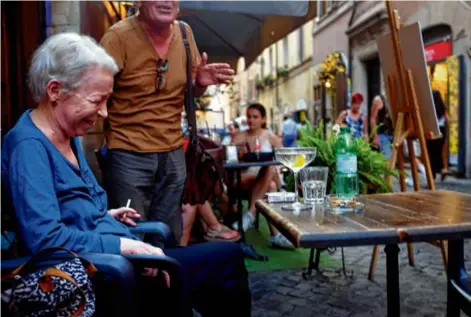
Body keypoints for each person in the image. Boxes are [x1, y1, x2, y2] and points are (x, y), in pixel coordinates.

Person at [1, 32, 251, 317]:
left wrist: (104, 216)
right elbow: (44, 239)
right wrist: (126, 246)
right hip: (96, 278)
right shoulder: (29, 146)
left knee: (219, 263)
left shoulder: (67, 134)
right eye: (98, 100)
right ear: (55, 90)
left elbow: (63, 209)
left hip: (110, 264)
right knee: (225, 261)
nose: (105, 113)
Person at [100, 0, 235, 244]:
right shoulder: (117, 38)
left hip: (173, 153)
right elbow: (96, 90)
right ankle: (136, 281)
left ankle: (165, 280)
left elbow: (191, 92)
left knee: (167, 234)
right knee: (133, 234)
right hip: (128, 153)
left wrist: (200, 83)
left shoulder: (185, 33)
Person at [231, 103, 294, 249]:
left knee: (270, 171)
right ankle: (275, 236)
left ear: (263, 119)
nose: (251, 120)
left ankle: (250, 214)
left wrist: (279, 168)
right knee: (270, 187)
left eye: (255, 117)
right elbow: (229, 155)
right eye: (249, 116)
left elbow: (283, 158)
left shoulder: (270, 136)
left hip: (267, 175)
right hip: (246, 177)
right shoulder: (241, 135)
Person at [427, 90, 449, 181]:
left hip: (432, 131)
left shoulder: (430, 109)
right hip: (442, 132)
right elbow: (447, 119)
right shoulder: (442, 108)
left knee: (431, 153)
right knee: (440, 152)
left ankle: (432, 174)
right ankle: (443, 169)